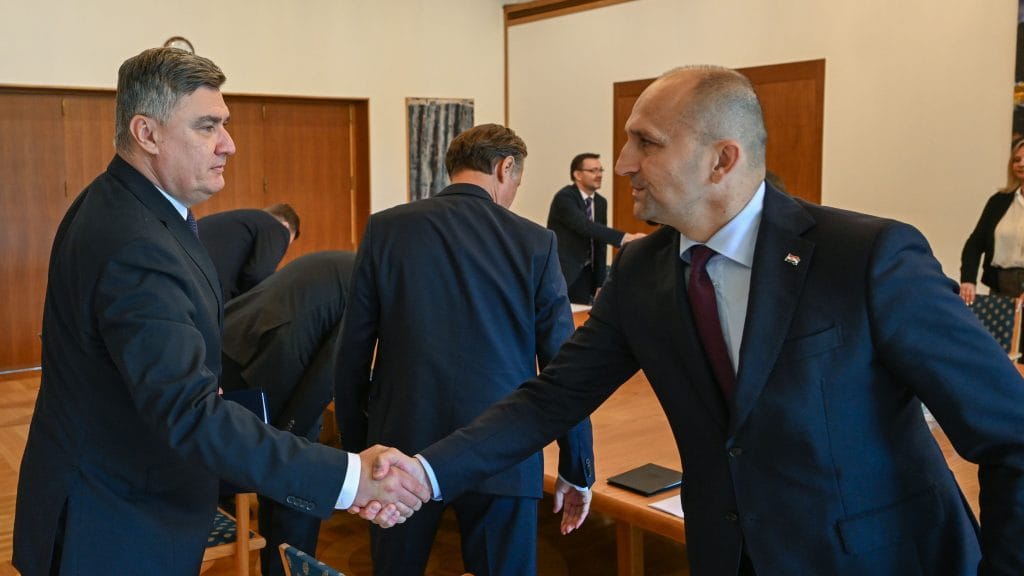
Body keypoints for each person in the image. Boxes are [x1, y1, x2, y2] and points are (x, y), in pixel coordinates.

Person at [369, 66, 1024, 575]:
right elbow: (549, 400)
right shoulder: (642, 273)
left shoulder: (866, 257)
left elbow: (1010, 435)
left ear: (722, 160)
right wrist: (424, 474)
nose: (622, 163)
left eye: (645, 143)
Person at [12, 47, 426, 576]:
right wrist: (351, 478)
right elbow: (189, 414)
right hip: (114, 525)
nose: (228, 144)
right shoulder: (136, 241)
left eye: (224, 124)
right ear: (147, 133)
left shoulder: (127, 205)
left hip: (118, 501)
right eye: (207, 126)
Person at [334, 123, 595, 575]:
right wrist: (577, 467)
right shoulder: (535, 242)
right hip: (503, 447)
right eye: (517, 182)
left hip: (398, 450)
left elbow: (352, 354)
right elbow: (562, 366)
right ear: (505, 167)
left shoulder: (387, 228)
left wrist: (360, 457)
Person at [220, 250, 356, 576]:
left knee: (285, 473)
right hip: (261, 359)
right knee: (302, 481)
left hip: (235, 342)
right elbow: (328, 373)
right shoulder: (373, 285)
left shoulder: (350, 263)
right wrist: (293, 443)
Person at [546, 153, 644, 304]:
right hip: (563, 273)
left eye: (600, 170)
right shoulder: (565, 197)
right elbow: (585, 226)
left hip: (586, 276)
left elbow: (600, 243)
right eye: (593, 171)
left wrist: (600, 282)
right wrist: (625, 238)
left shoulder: (600, 202)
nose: (599, 175)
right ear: (578, 175)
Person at [960, 139, 1024, 306]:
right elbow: (975, 244)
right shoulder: (999, 201)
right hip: (1000, 287)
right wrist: (968, 279)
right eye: (1017, 160)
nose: (1021, 164)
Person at [199, 203, 300, 300]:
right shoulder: (277, 227)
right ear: (285, 226)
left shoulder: (239, 220)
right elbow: (258, 275)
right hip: (208, 290)